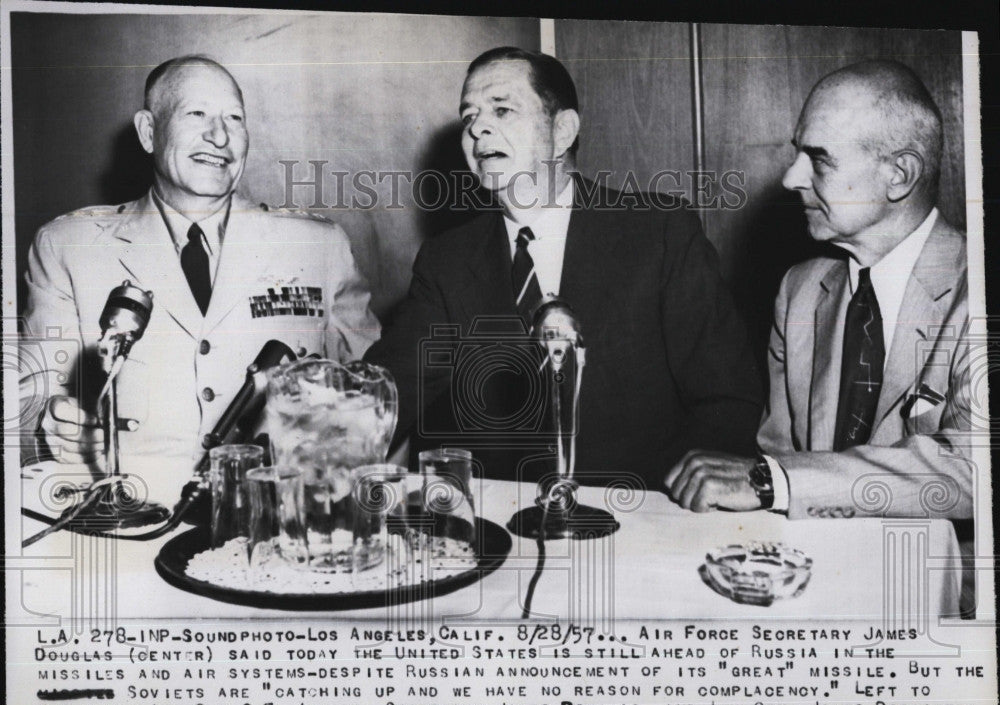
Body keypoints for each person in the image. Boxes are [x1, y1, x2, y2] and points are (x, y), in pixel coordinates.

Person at [366, 47, 763, 488]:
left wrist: (674, 505)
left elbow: (729, 400)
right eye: (469, 117)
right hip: (507, 528)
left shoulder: (660, 234)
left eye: (502, 109)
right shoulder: (447, 261)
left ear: (562, 131)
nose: (478, 127)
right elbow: (390, 388)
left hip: (641, 517)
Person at [20, 55, 379, 502]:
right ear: (149, 132)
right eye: (197, 114)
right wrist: (51, 427)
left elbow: (378, 398)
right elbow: (30, 405)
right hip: (131, 517)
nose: (220, 135)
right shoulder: (67, 247)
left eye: (235, 118)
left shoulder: (319, 246)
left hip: (280, 518)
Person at [665, 60, 973, 520]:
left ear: (900, 175)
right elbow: (778, 456)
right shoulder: (801, 291)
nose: (791, 179)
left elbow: (974, 469)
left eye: (820, 159)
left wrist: (778, 482)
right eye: (797, 155)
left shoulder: (980, 290)